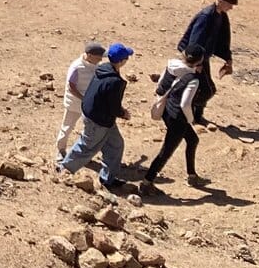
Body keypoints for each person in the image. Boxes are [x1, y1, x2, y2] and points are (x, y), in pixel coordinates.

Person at [57, 42, 134, 190]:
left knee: (115, 145)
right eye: (126, 58)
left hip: (100, 116)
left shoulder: (102, 69)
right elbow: (113, 105)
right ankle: (65, 169)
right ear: (122, 61)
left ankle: (108, 180)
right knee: (87, 147)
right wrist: (123, 113)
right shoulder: (114, 81)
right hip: (98, 120)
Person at [140, 50, 207, 190]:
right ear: (199, 62)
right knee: (166, 151)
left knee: (193, 139)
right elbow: (185, 103)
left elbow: (164, 84)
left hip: (168, 110)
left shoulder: (174, 67)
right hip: (179, 118)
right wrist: (190, 119)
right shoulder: (191, 77)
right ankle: (147, 182)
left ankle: (192, 175)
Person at [178, 0, 237, 124]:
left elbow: (222, 39)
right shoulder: (206, 16)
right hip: (195, 58)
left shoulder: (220, 16)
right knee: (207, 90)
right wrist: (195, 63)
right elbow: (194, 41)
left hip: (203, 57)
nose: (231, 8)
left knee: (202, 87)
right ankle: (183, 110)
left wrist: (228, 58)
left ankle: (195, 116)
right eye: (229, 4)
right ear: (221, 1)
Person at [56, 42, 106, 158]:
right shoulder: (76, 67)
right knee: (67, 127)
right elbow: (71, 87)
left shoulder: (95, 66)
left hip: (90, 105)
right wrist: (83, 99)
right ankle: (61, 150)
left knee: (90, 130)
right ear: (89, 55)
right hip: (74, 103)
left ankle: (82, 152)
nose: (100, 60)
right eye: (98, 58)